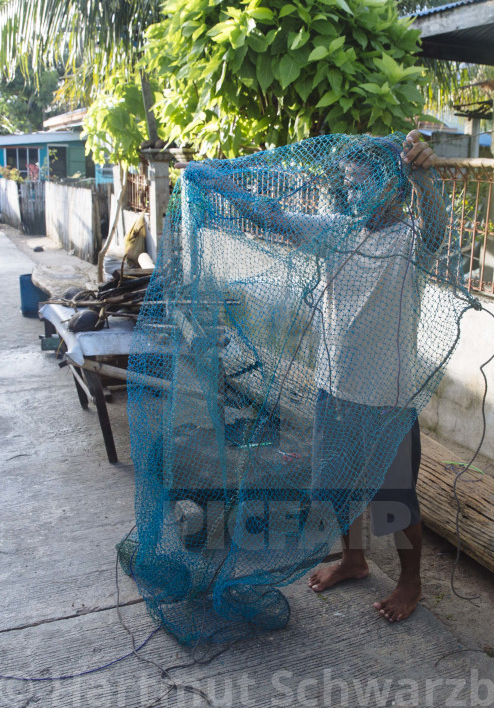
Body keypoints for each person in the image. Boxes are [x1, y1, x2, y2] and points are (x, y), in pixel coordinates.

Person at [185, 130, 439, 623]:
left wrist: (425, 178)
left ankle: (411, 582)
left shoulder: (409, 243)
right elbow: (275, 217)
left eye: (367, 181)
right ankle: (354, 559)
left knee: (395, 501)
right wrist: (216, 182)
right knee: (338, 488)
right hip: (334, 388)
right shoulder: (337, 231)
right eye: (350, 182)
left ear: (396, 185)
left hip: (387, 399)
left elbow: (437, 230)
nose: (356, 191)